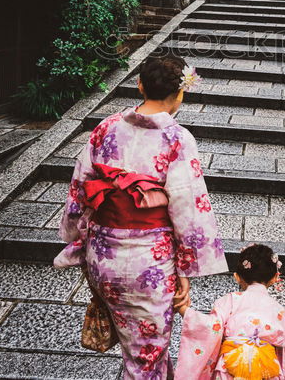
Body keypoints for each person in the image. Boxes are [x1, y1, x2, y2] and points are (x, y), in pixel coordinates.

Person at [55, 55, 227, 379]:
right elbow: (189, 210)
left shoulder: (105, 128)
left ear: (139, 85)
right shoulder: (177, 139)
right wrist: (186, 269)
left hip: (102, 258)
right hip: (149, 265)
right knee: (146, 358)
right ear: (180, 94)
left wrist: (75, 236)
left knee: (141, 351)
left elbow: (79, 189)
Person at [174, 244, 285, 380]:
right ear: (274, 278)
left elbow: (211, 326)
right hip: (266, 368)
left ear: (237, 277)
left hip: (231, 366)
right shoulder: (278, 310)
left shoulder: (230, 300)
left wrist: (184, 310)